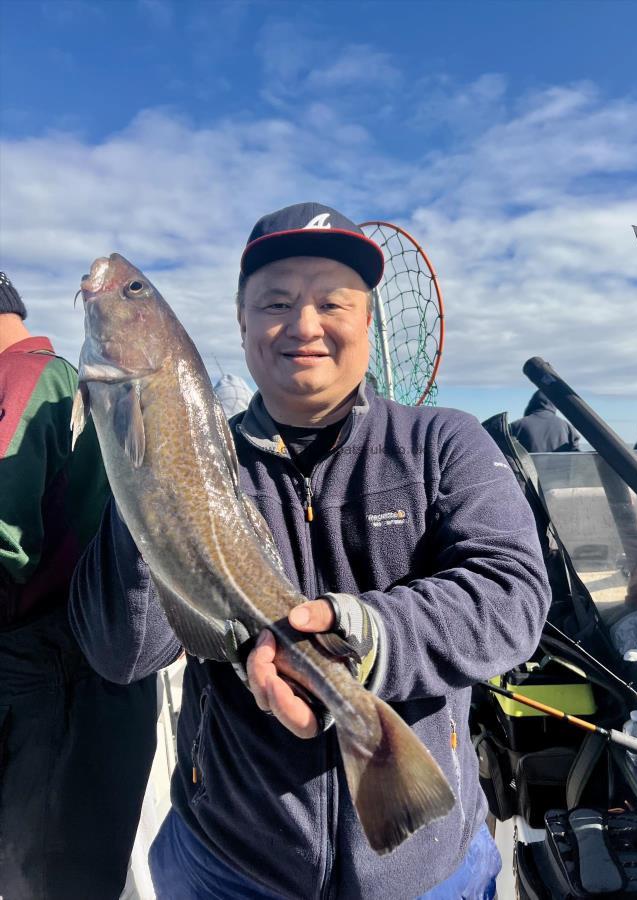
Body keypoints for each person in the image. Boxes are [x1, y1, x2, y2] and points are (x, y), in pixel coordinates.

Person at [69, 203, 552, 899]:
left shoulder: (445, 444)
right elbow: (121, 654)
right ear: (239, 324)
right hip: (227, 864)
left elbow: (510, 598)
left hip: (427, 871)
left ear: (367, 320)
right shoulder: (206, 448)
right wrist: (150, 485)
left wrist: (358, 633)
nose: (302, 325)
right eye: (274, 302)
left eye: (332, 302)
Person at [0, 272, 158, 900]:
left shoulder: (21, 379)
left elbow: (5, 543)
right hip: (83, 664)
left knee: (37, 870)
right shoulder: (56, 376)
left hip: (47, 675)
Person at [511, 389, 580, 453]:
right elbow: (576, 455)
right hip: (561, 466)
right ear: (554, 404)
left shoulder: (516, 426)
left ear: (533, 402)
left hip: (527, 466)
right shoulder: (567, 427)